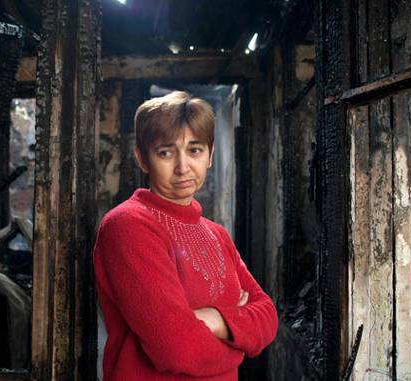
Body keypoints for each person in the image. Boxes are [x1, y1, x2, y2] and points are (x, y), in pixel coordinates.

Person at [93, 91, 278, 381]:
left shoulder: (217, 234)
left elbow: (268, 316)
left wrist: (215, 319)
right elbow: (175, 349)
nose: (182, 167)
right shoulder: (128, 225)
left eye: (195, 150)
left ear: (210, 155)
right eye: (165, 152)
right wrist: (238, 344)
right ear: (142, 158)